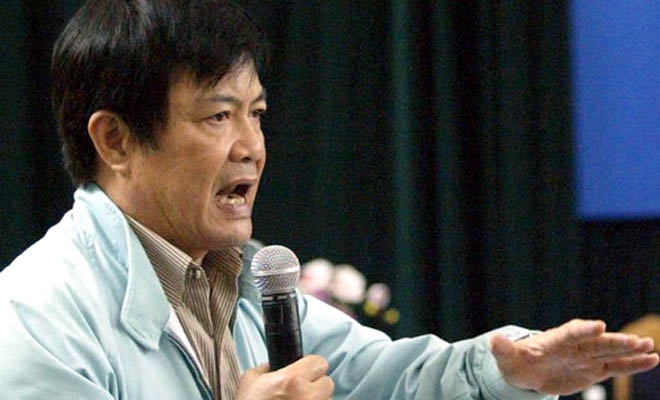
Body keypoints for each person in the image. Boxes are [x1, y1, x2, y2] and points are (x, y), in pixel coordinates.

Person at [0, 0, 657, 399]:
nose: (252, 147)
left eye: (257, 114)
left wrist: (507, 371)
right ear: (115, 140)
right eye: (218, 116)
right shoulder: (36, 320)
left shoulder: (245, 284)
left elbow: (386, 378)